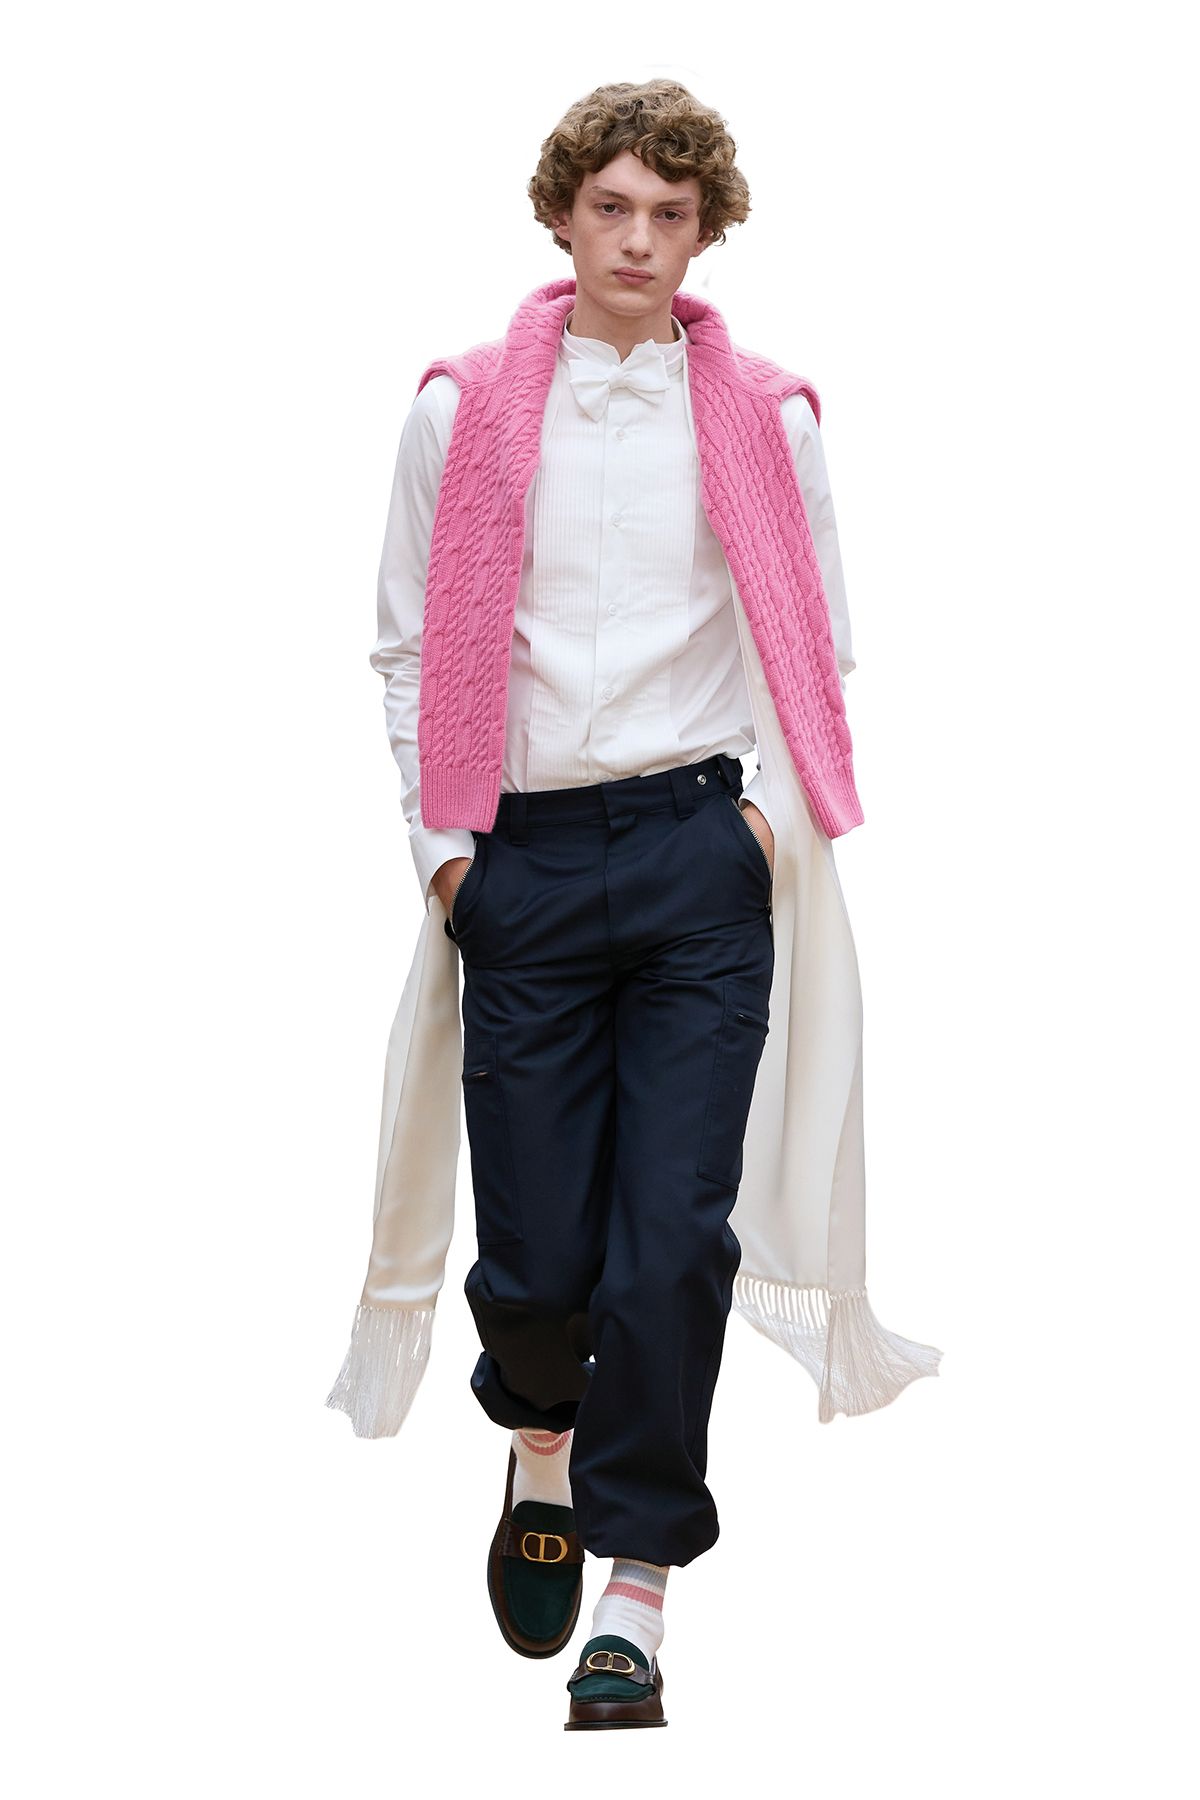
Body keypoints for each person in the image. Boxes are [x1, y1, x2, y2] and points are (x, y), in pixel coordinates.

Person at [326, 77, 942, 1733]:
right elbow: (405, 646)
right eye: (612, 208)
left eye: (672, 215)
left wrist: (756, 832)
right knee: (537, 1257)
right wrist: (446, 857)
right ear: (561, 215)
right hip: (520, 861)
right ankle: (541, 1438)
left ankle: (639, 1588)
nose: (640, 242)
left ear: (705, 229)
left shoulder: (770, 418)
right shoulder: (459, 410)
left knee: (674, 1237)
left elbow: (816, 646)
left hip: (695, 864)